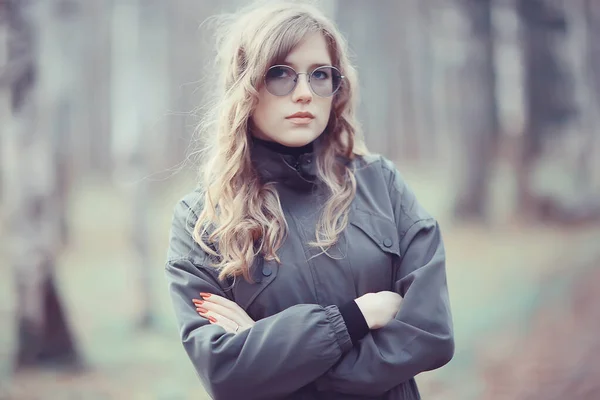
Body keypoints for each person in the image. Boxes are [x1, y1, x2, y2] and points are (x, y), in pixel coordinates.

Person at [164, 1, 454, 399]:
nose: (304, 93)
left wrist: (278, 359)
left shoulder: (381, 184)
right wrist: (357, 317)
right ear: (246, 86)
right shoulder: (203, 218)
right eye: (280, 73)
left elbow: (431, 333)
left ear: (337, 89)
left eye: (320, 75)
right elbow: (223, 370)